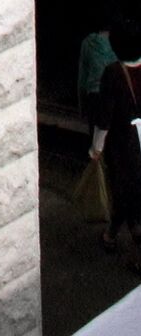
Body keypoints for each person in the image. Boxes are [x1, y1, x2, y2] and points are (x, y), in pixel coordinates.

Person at [92, 16, 141, 266]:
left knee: (123, 190)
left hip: (124, 145)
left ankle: (115, 234)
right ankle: (126, 229)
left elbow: (104, 117)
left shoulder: (113, 73)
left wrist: (96, 147)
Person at [81, 18, 118, 135]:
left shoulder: (87, 43)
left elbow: (83, 75)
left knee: (95, 134)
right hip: (113, 94)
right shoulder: (118, 42)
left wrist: (82, 105)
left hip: (94, 94)